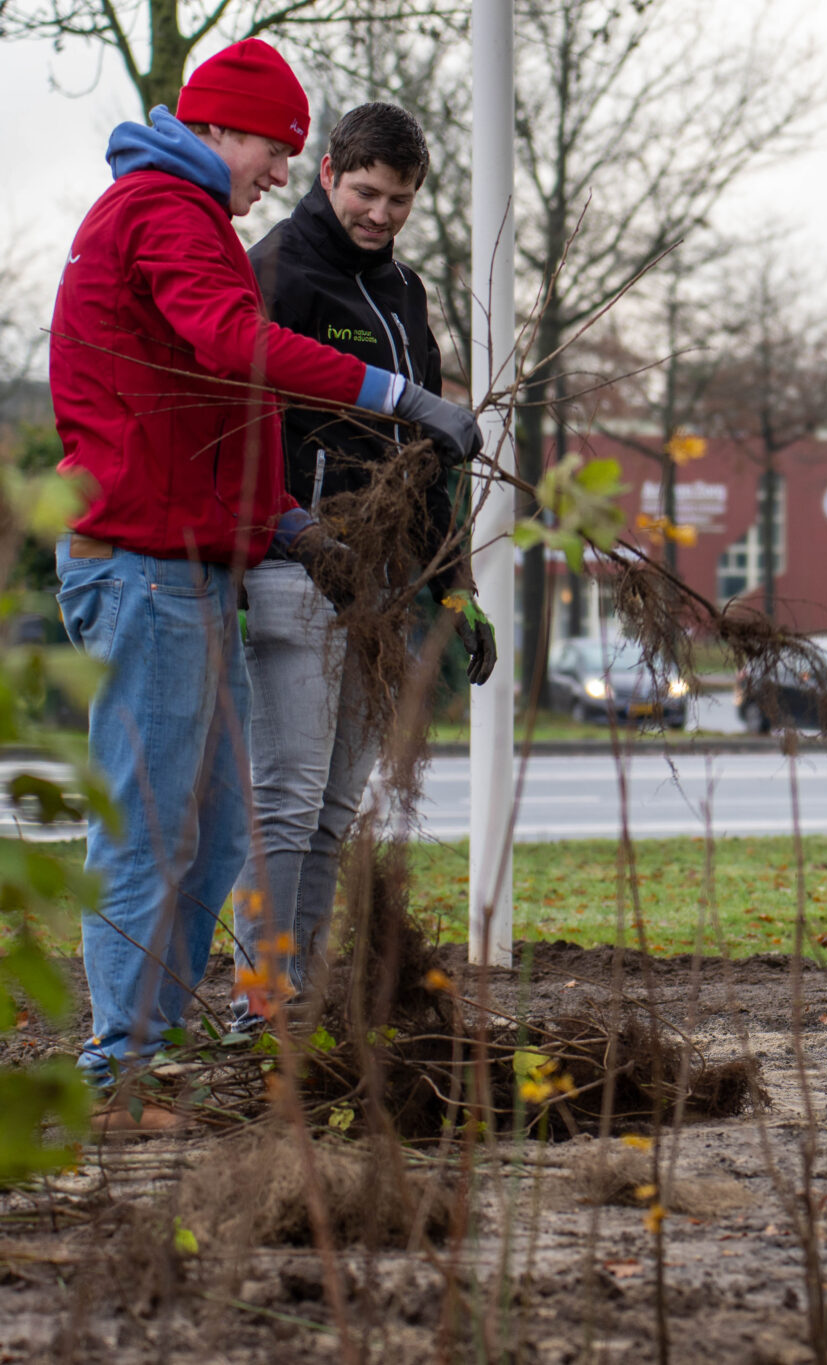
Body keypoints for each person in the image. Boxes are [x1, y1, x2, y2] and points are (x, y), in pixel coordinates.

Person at [49, 39, 481, 1123]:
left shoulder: (191, 219)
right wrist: (396, 394)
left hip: (190, 556)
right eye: (277, 149)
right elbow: (232, 343)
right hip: (140, 564)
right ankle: (123, 1064)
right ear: (222, 128)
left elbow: (209, 414)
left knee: (228, 824)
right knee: (153, 820)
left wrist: (285, 523)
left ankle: (167, 1035)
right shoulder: (161, 209)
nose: (281, 173)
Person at [233, 103, 494, 1029]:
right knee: (290, 792)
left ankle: (290, 1001)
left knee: (338, 802)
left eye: (400, 199)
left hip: (382, 582)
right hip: (295, 567)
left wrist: (454, 583)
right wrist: (298, 534)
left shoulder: (406, 295)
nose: (380, 213)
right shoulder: (275, 273)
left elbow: (426, 462)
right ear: (328, 171)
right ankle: (256, 1000)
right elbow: (245, 428)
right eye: (365, 191)